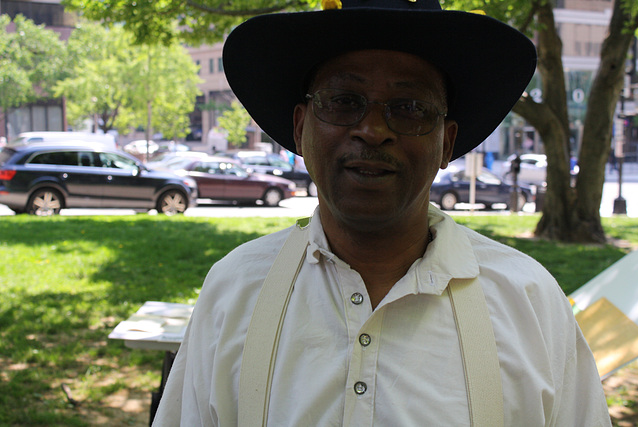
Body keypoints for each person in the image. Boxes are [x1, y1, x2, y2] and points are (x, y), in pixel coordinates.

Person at [153, 0, 611, 425]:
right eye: (343, 101)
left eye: (409, 108)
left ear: (446, 143)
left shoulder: (528, 302)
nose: (372, 131)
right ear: (300, 128)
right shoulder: (233, 292)